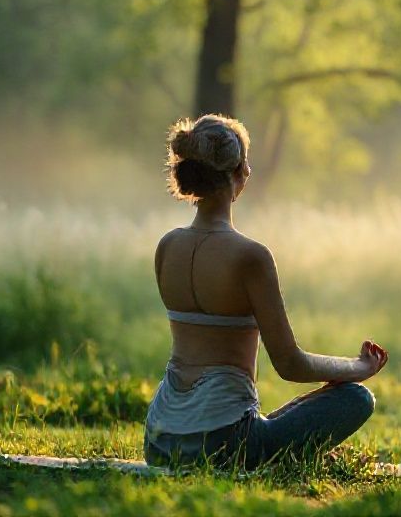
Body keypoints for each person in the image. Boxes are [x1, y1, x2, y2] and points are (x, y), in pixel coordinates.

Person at [144, 114, 388, 470]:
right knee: (356, 398)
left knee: (266, 419)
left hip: (159, 441)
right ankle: (282, 451)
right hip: (225, 445)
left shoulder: (167, 247)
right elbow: (290, 363)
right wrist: (358, 367)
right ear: (240, 172)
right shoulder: (250, 256)